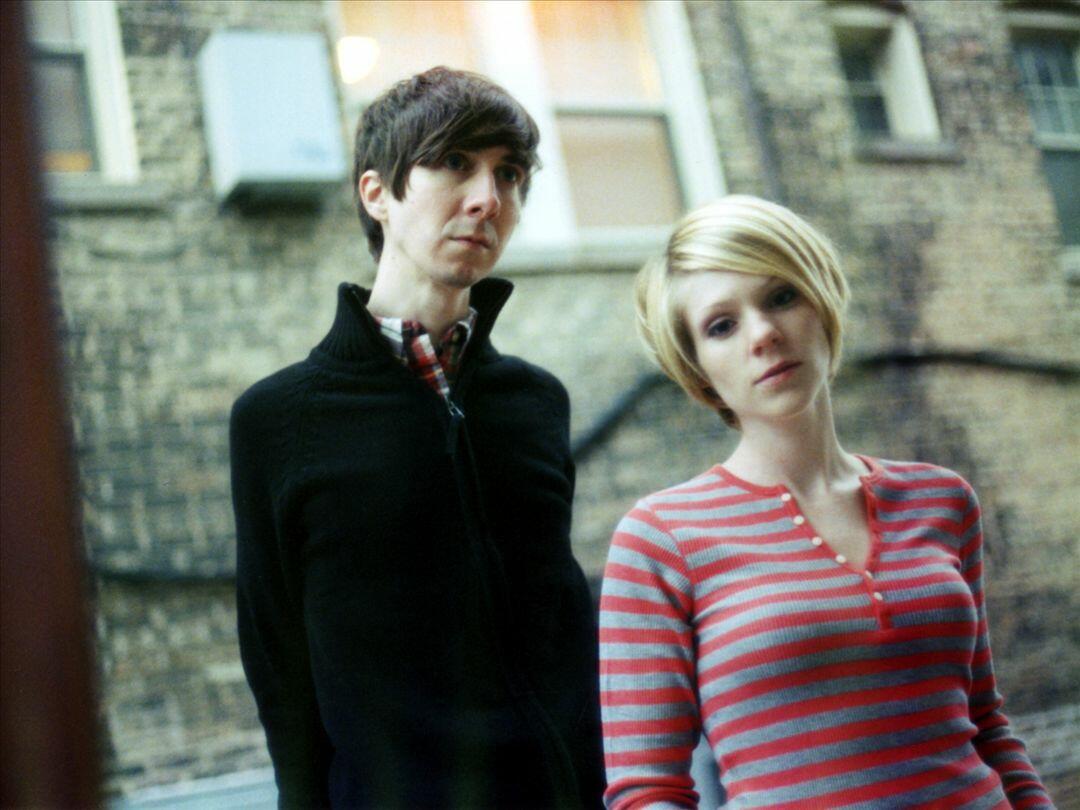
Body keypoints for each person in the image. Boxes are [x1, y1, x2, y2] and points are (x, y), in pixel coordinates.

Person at [599, 196, 1054, 808]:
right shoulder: (660, 538)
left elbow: (986, 723)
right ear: (699, 370)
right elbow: (647, 789)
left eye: (781, 296)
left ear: (823, 301)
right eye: (721, 326)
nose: (764, 333)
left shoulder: (941, 499)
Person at [231, 67, 604, 808]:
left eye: (510, 174)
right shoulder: (279, 419)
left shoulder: (536, 401)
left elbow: (561, 627)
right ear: (377, 193)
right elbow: (279, 666)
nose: (488, 198)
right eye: (456, 163)